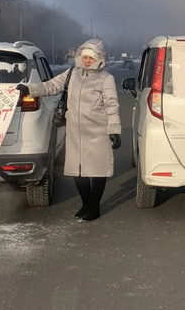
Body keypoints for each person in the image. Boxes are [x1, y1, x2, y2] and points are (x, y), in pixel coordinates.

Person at [17, 38, 121, 222]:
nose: (87, 60)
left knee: (97, 172)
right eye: (85, 56)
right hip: (74, 132)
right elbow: (51, 86)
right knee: (77, 172)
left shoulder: (106, 78)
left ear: (99, 58)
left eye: (91, 57)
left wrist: (114, 130)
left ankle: (93, 207)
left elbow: (112, 105)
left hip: (97, 132)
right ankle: (86, 203)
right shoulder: (72, 73)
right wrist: (29, 89)